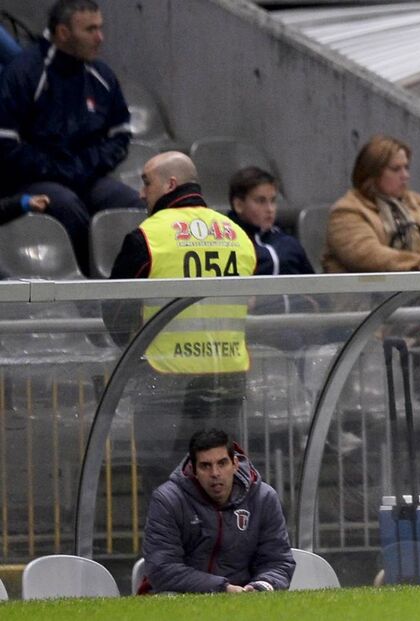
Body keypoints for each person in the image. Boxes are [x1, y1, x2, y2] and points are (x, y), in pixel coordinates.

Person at [105, 151, 257, 477]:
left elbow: (115, 313)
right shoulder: (237, 235)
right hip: (227, 377)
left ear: (170, 184)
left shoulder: (148, 237)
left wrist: (132, 346)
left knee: (166, 485)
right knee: (219, 482)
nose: (141, 193)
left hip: (165, 380)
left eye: (147, 183)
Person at [0, 0, 143, 275]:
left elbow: (120, 134)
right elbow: (5, 144)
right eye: (90, 30)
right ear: (63, 33)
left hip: (85, 176)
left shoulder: (102, 75)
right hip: (32, 180)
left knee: (133, 204)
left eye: (100, 28)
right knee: (67, 206)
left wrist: (86, 164)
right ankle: (86, 283)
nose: (100, 38)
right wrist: (56, 169)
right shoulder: (23, 73)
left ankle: (133, 279)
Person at [141, 428, 295, 593]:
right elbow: (162, 568)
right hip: (180, 594)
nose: (215, 473)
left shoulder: (263, 498)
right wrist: (223, 588)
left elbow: (278, 561)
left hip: (244, 595)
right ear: (193, 470)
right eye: (205, 466)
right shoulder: (168, 500)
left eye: (222, 463)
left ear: (235, 464)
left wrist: (260, 587)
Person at [322, 134, 420, 273]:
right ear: (373, 173)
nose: (405, 175)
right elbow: (367, 255)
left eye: (406, 167)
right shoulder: (346, 210)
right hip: (365, 287)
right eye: (396, 169)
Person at [227, 166, 314, 277]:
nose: (270, 209)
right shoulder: (227, 243)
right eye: (260, 201)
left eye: (273, 201)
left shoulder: (289, 244)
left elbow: (314, 285)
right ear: (239, 205)